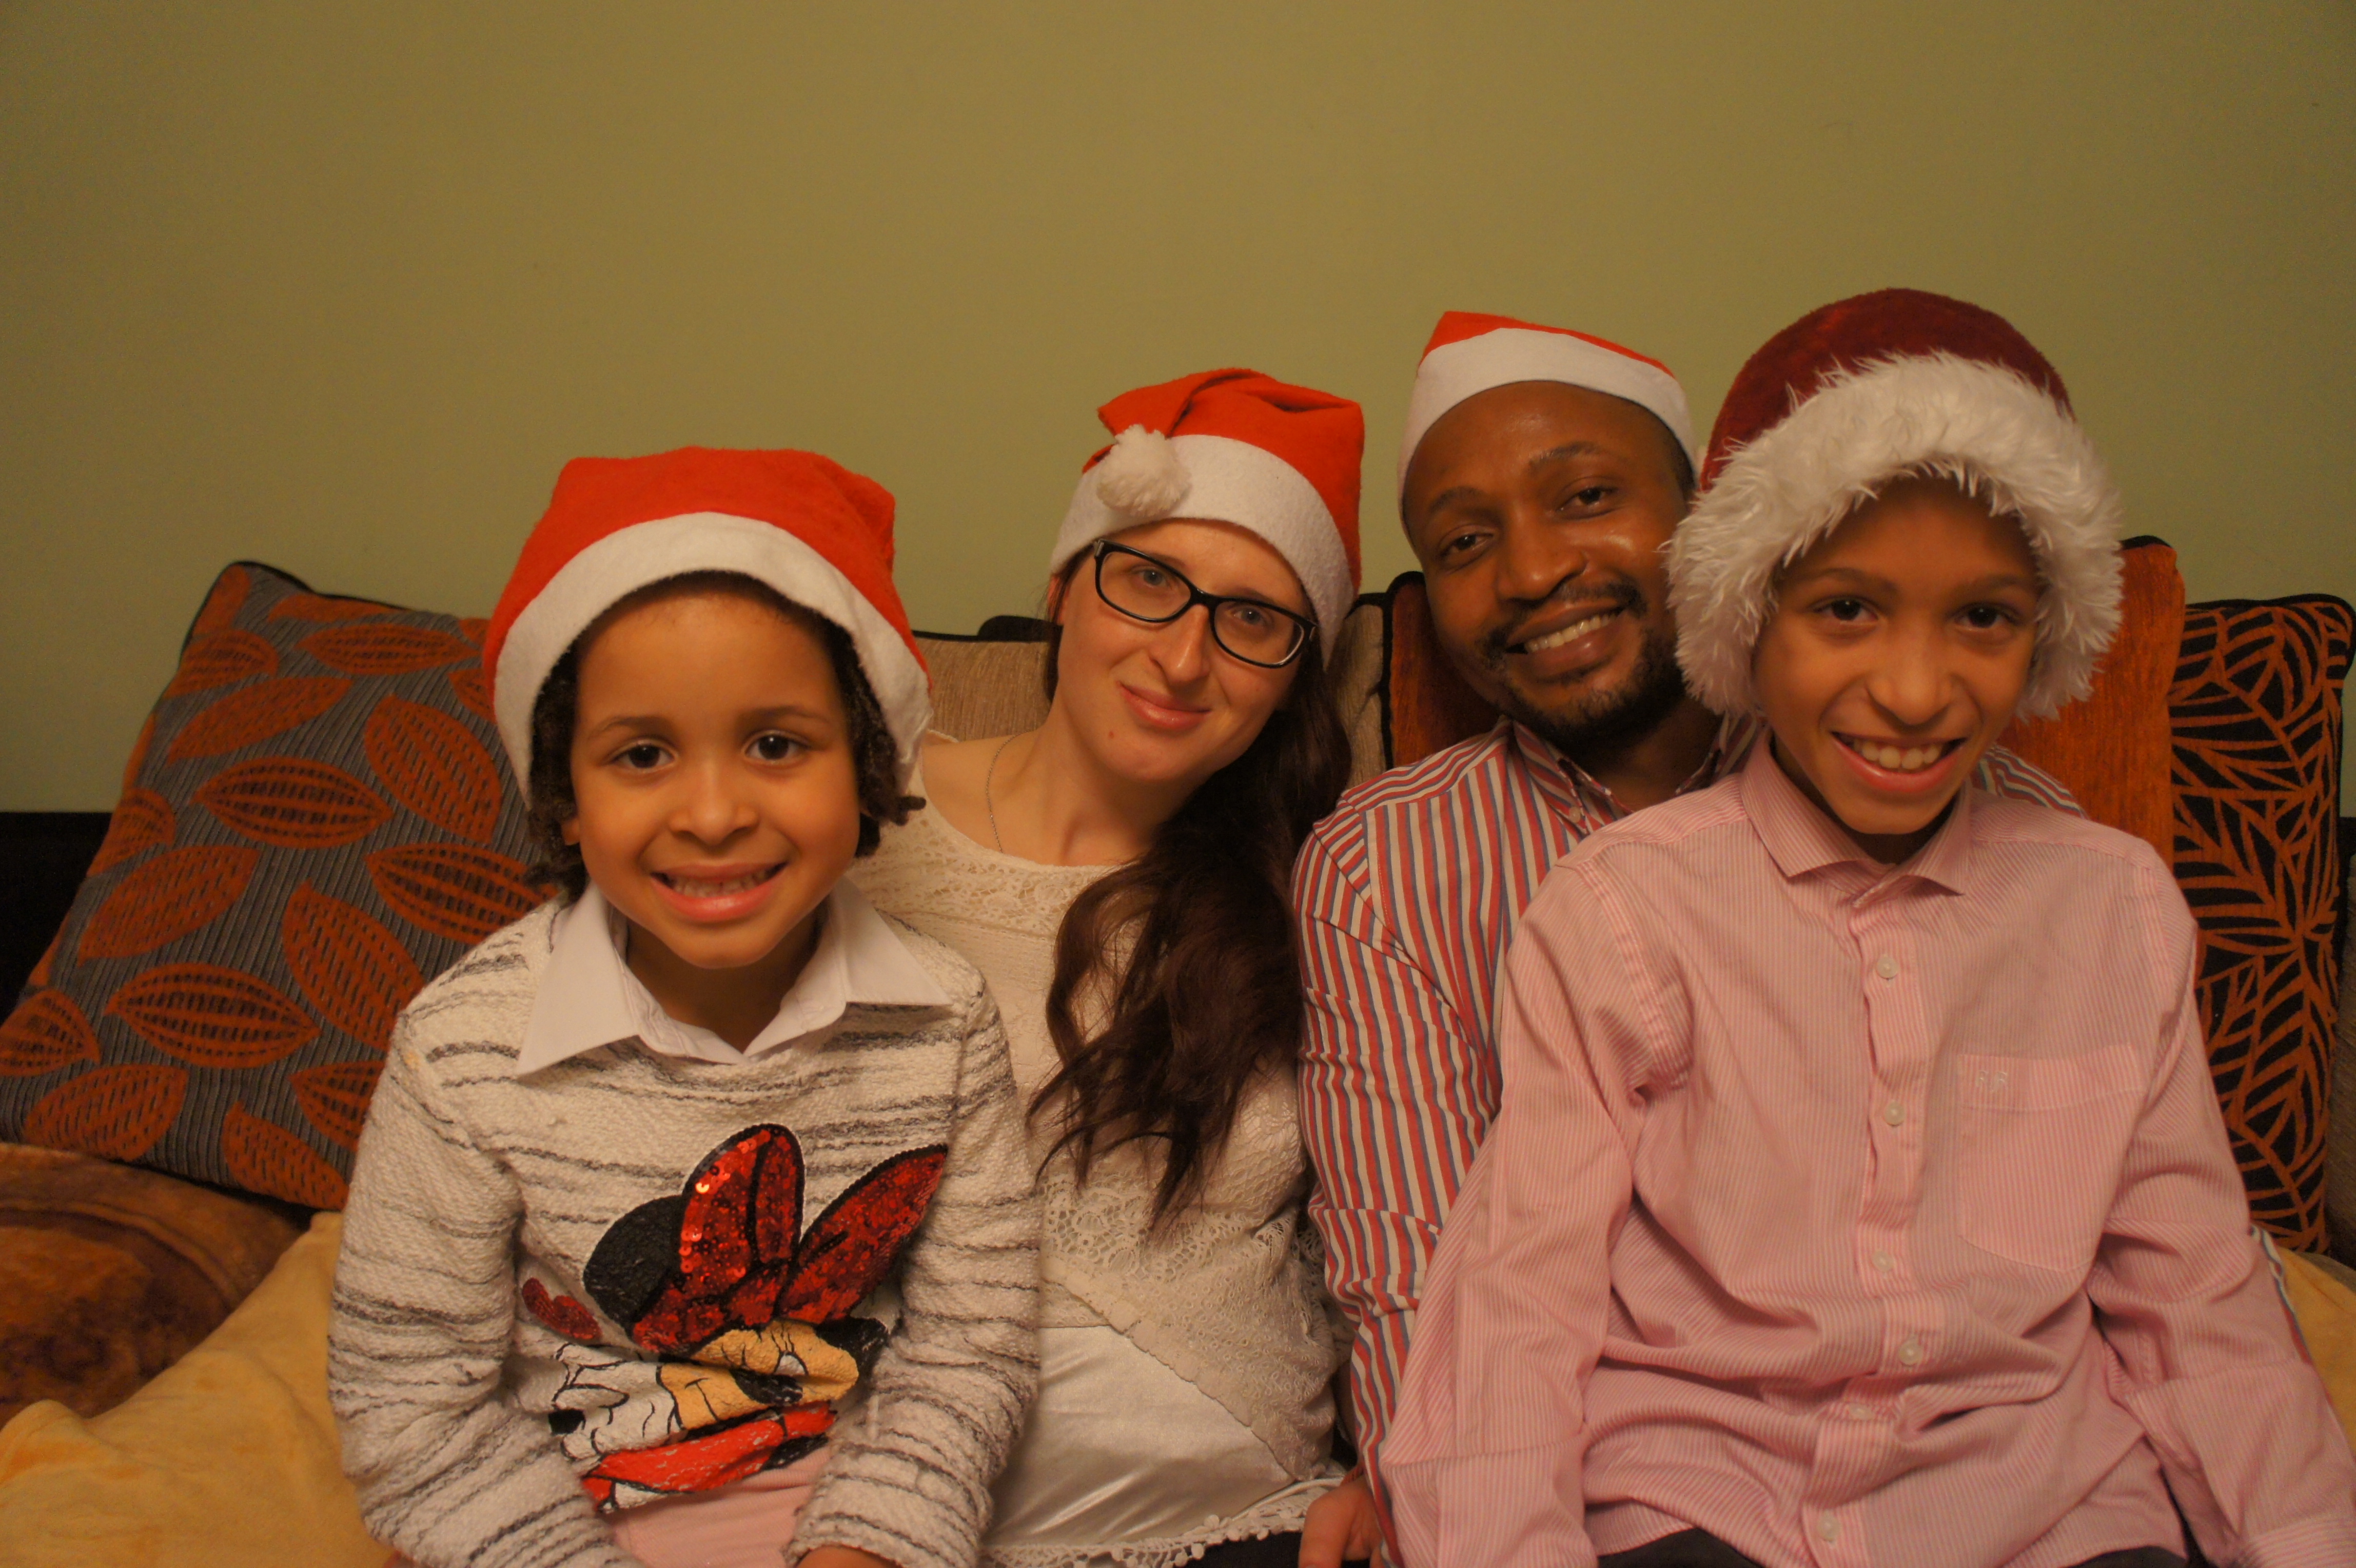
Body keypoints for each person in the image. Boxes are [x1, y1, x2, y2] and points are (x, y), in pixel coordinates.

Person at [1378, 292, 2356, 1567]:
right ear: (1747, 619)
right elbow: (1516, 1303)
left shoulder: (2110, 907)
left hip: (2048, 1508)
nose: (1911, 689)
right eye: (1846, 609)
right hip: (1702, 1497)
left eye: (1982, 617)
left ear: (2044, 633)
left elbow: (2193, 1297)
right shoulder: (1622, 907)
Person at [1290, 308, 2078, 1499]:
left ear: (1715, 516)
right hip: (1621, 1491)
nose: (1530, 572)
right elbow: (1411, 1274)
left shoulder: (1975, 809)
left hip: (1982, 1475)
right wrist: (1444, 1505)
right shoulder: (1383, 865)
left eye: (1586, 496)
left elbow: (2114, 1222)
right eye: (1462, 542)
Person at [328, 448, 1041, 1568]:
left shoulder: (944, 1024)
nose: (712, 814)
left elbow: (972, 1351)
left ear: (866, 766)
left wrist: (867, 1547)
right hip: (544, 1525)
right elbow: (409, 1402)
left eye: (775, 744)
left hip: (855, 1517)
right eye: (644, 753)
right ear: (564, 795)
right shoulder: (461, 1051)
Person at [850, 369, 1382, 1568]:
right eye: (1148, 581)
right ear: (1061, 586)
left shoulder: (1321, 892)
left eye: (1253, 620)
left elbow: (1422, 1205)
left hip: (1244, 1517)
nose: (1184, 658)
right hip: (895, 1513)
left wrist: (1406, 1444)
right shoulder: (848, 825)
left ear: (1294, 674)